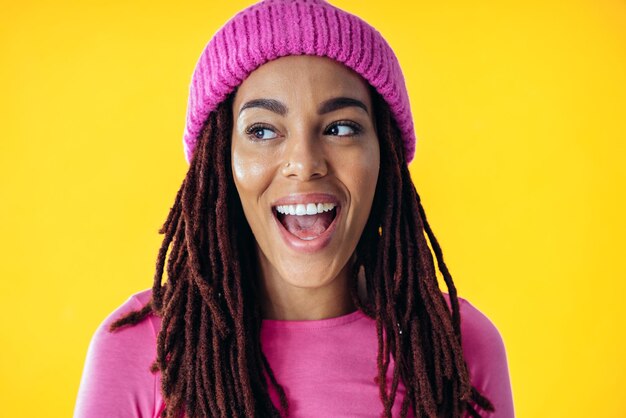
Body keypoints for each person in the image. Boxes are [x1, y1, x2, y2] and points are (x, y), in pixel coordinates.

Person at [74, 0, 514, 417]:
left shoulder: (455, 349)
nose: (305, 164)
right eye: (263, 131)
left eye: (341, 127)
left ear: (387, 157)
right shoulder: (144, 348)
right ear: (220, 161)